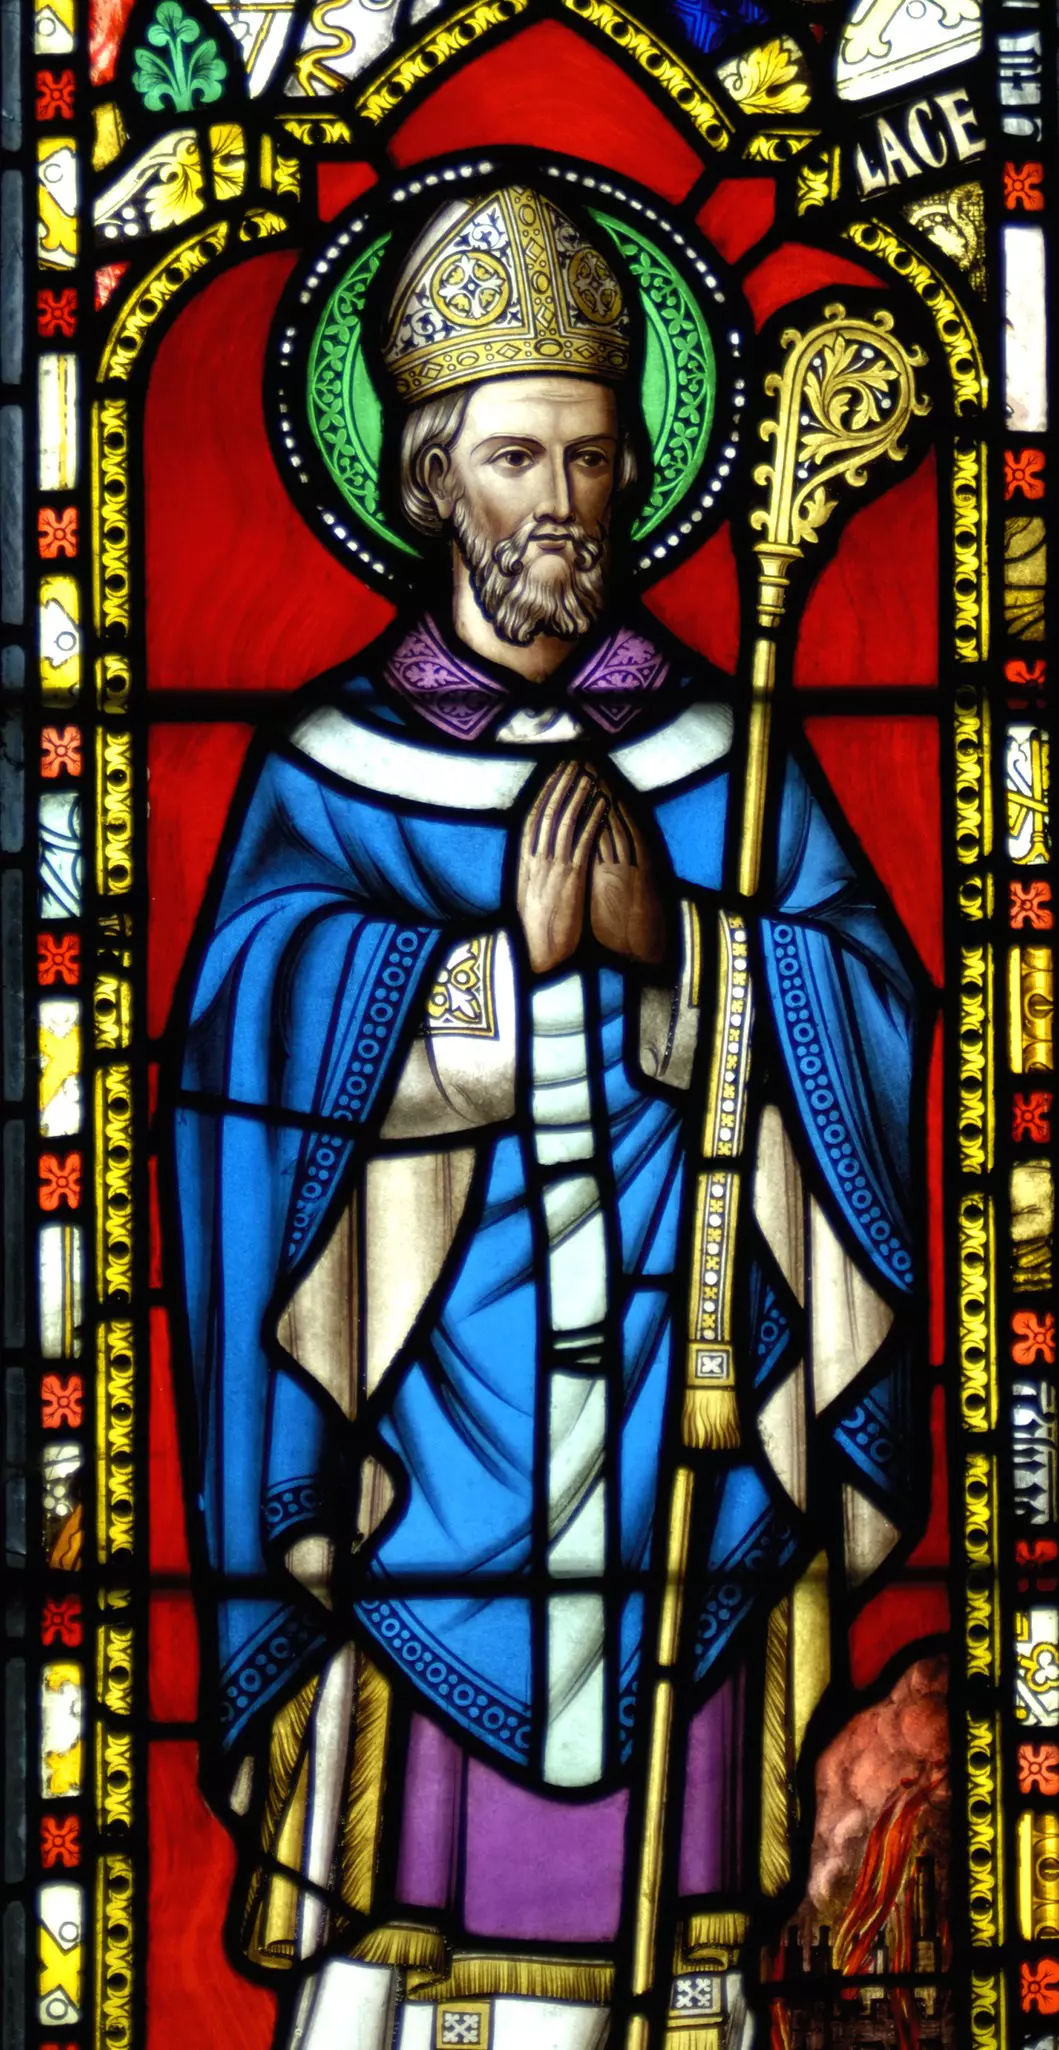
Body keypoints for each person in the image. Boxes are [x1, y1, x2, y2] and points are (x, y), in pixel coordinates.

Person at [168, 184, 925, 2050]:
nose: (563, 510)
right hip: (426, 1466)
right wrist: (473, 988)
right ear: (428, 478)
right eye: (516, 457)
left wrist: (687, 952)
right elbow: (239, 1070)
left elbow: (879, 1041)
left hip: (691, 1449)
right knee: (412, 1973)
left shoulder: (711, 758)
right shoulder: (332, 768)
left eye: (593, 459)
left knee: (681, 1969)